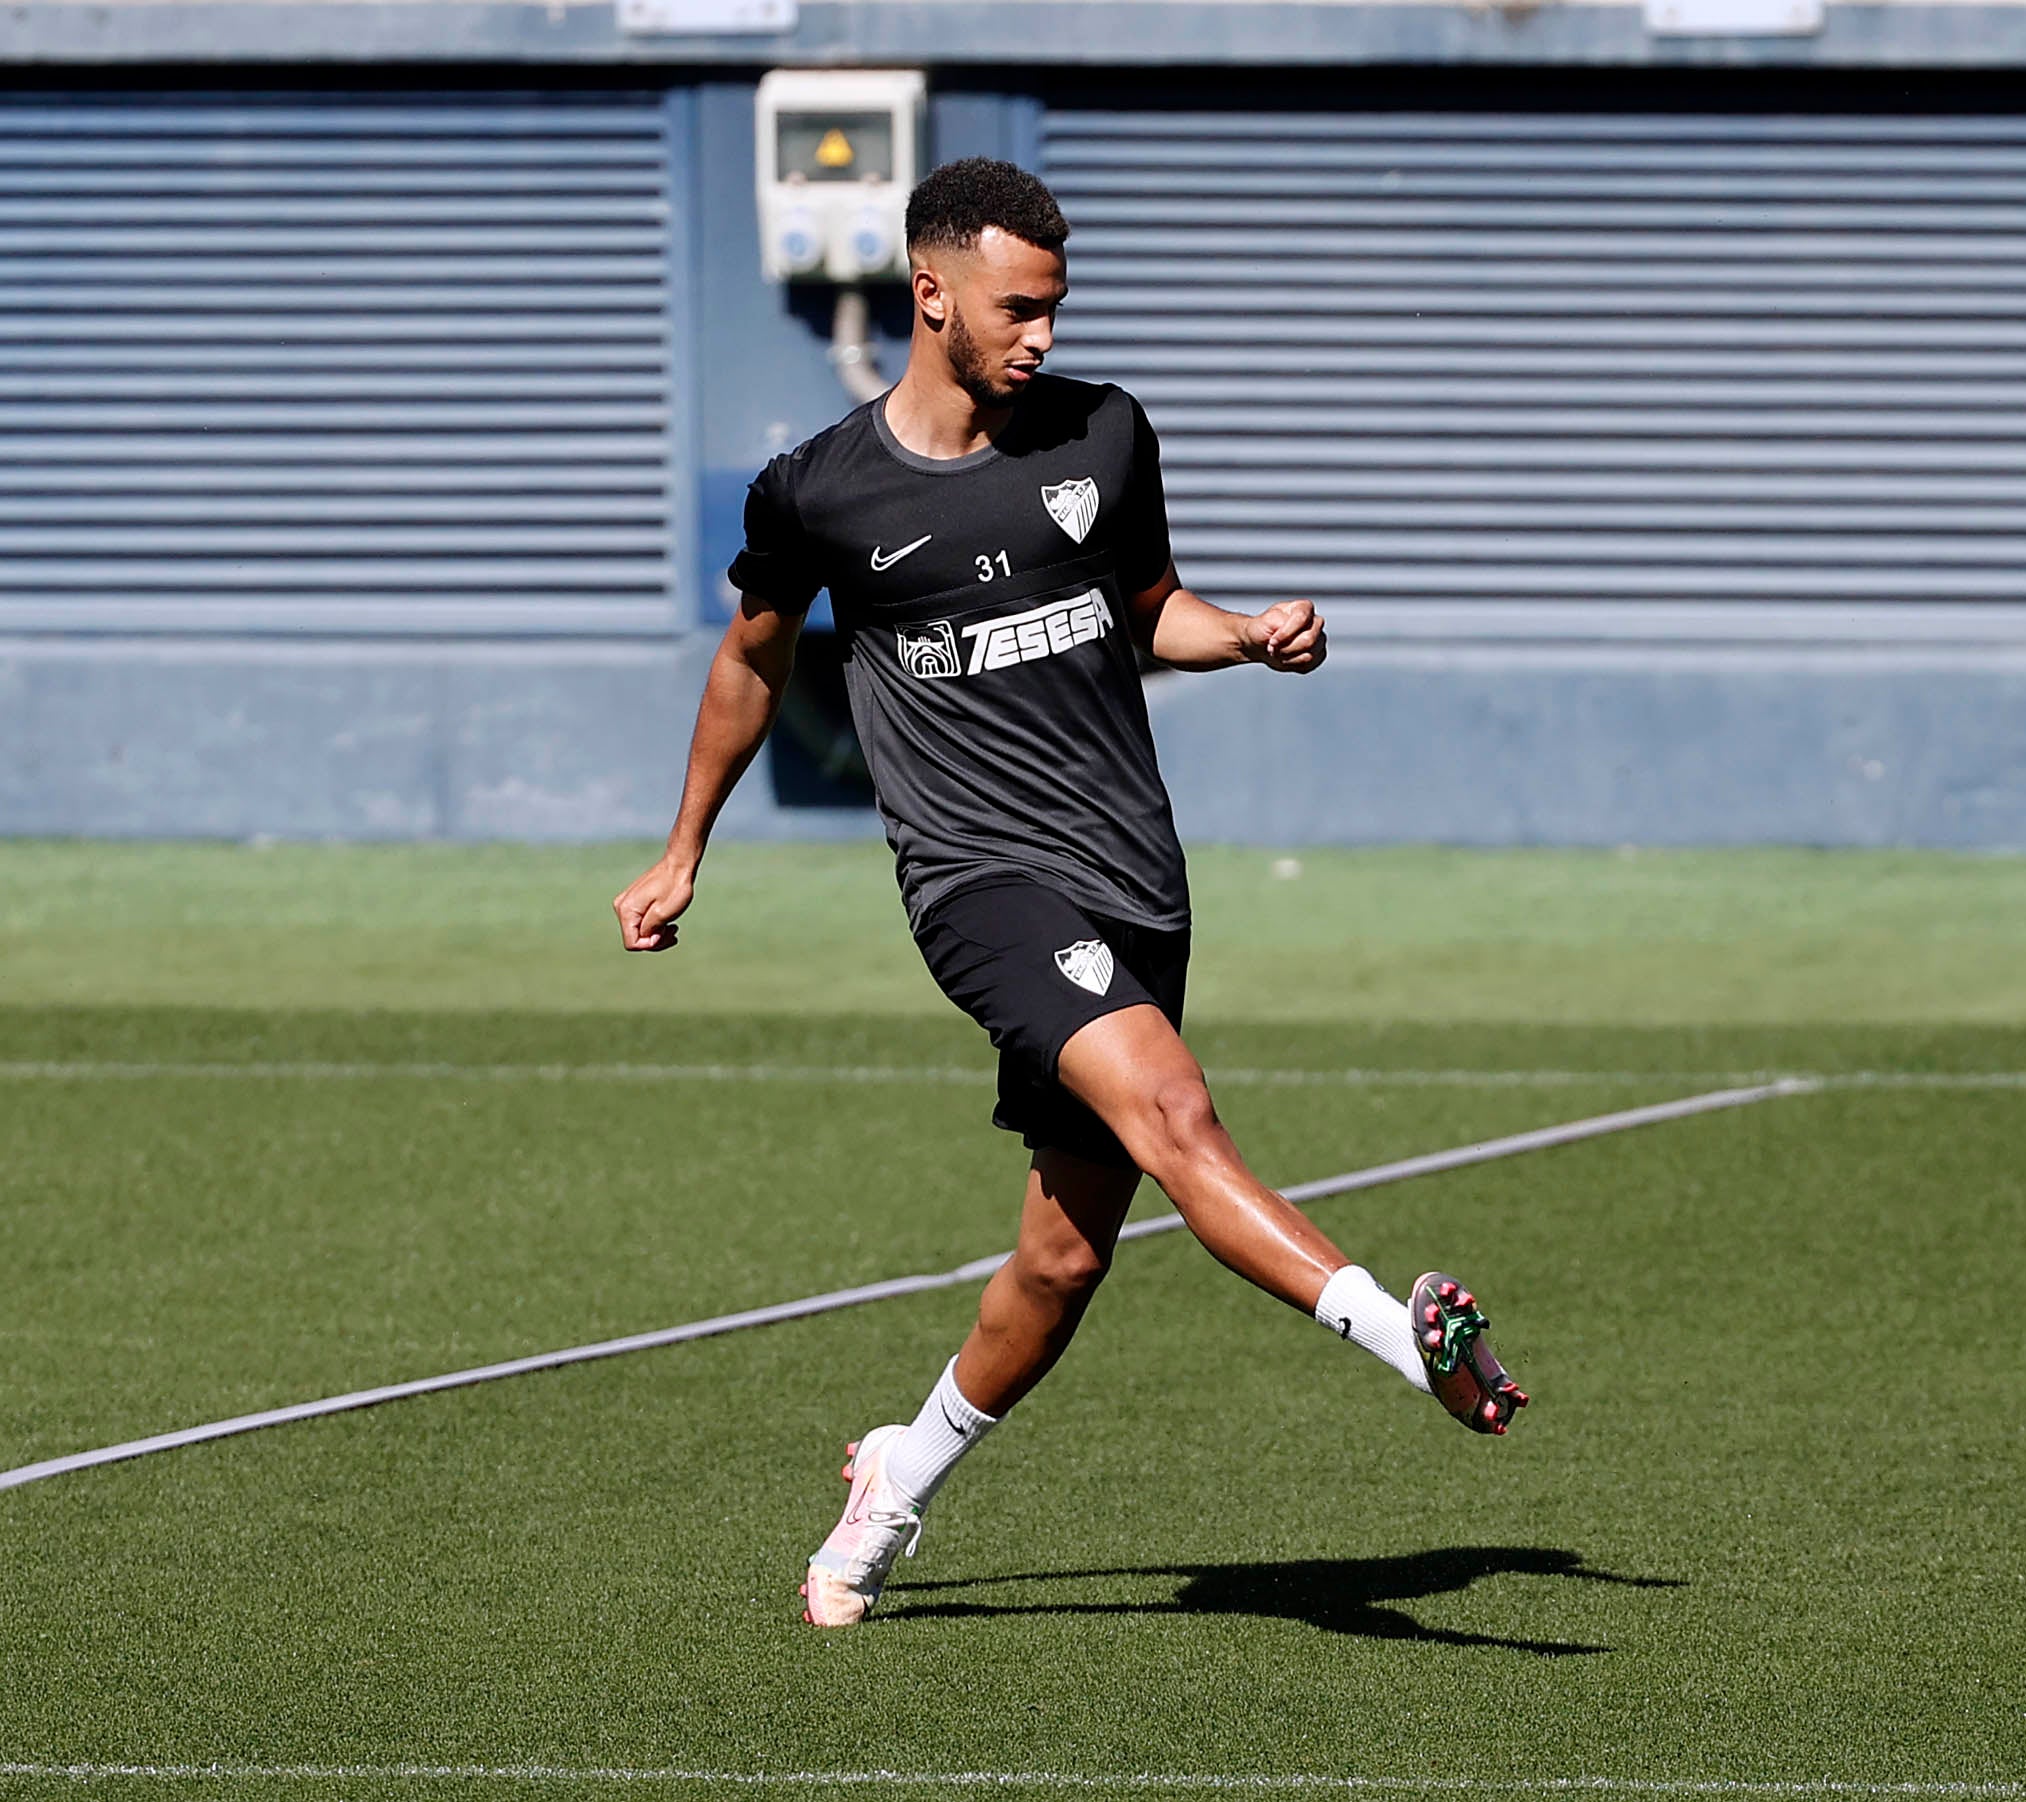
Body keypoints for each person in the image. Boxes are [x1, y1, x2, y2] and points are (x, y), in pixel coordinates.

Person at [611, 158, 1527, 1630]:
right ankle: (1397, 1335)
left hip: (1135, 874)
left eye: (1056, 305)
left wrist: (1248, 635)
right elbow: (751, 660)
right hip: (981, 884)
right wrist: (682, 851)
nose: (1041, 333)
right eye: (1015, 306)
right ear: (932, 296)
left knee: (1060, 1259)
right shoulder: (822, 491)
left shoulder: (1105, 432)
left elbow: (1152, 599)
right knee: (1174, 1114)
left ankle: (890, 1486)